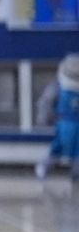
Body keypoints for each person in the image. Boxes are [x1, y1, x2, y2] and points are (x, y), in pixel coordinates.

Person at [36, 53, 79, 181]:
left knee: (76, 150)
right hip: (64, 122)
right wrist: (44, 118)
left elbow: (45, 102)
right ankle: (43, 167)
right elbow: (46, 102)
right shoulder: (58, 86)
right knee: (59, 147)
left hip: (73, 123)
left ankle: (76, 174)